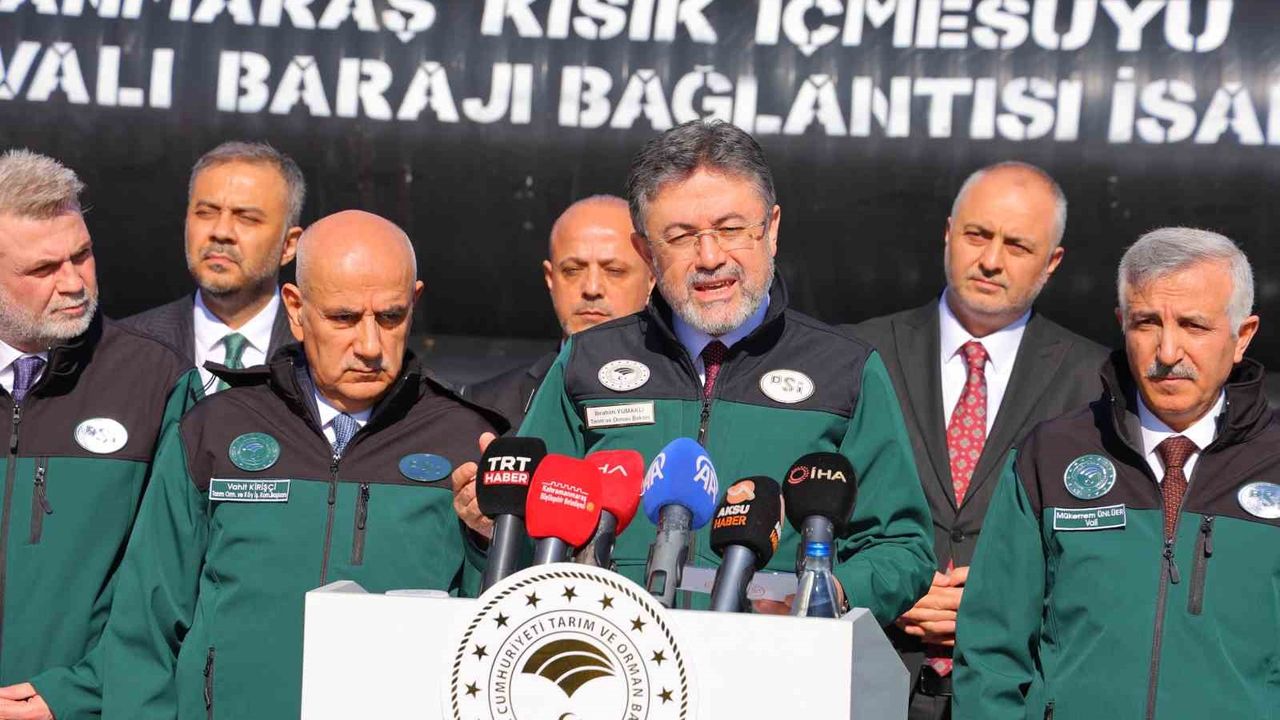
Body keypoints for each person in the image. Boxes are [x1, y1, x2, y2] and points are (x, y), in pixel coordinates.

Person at [452, 119, 935, 624]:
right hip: (614, 653)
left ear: (771, 229)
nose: (709, 257)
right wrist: (490, 527)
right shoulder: (585, 362)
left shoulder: (846, 370)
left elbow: (900, 546)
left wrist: (826, 594)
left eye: (730, 229)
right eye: (681, 237)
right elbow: (532, 539)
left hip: (773, 661)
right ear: (646, 252)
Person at [98, 210, 503, 720]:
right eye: (344, 318)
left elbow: (497, 641)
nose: (370, 346)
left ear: (414, 303)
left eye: (390, 317)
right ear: (295, 308)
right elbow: (144, 628)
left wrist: (487, 540)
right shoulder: (214, 429)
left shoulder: (471, 443)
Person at [954, 228, 1276, 719]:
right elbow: (990, 651)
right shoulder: (1050, 456)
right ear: (1122, 324)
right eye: (1147, 323)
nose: (1167, 352)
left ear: (1242, 336)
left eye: (1194, 326)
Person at [849, 161, 1107, 717]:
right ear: (948, 233)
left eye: (1017, 245)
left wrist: (1000, 606)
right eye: (977, 234)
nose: (991, 260)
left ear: (1052, 262)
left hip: (1009, 694)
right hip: (864, 679)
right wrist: (885, 587)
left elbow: (1109, 558)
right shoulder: (856, 356)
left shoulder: (1097, 384)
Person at [0, 150, 199, 720]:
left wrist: (77, 693)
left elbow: (170, 585)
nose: (73, 283)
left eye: (82, 255)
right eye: (43, 269)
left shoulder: (159, 382)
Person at [122, 141, 303, 394]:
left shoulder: (317, 350)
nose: (221, 232)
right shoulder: (127, 346)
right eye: (206, 213)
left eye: (247, 218)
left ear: (289, 245)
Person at [466, 194, 653, 428]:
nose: (592, 288)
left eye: (614, 271)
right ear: (550, 278)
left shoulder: (685, 397)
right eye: (572, 270)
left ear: (652, 278)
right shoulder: (485, 408)